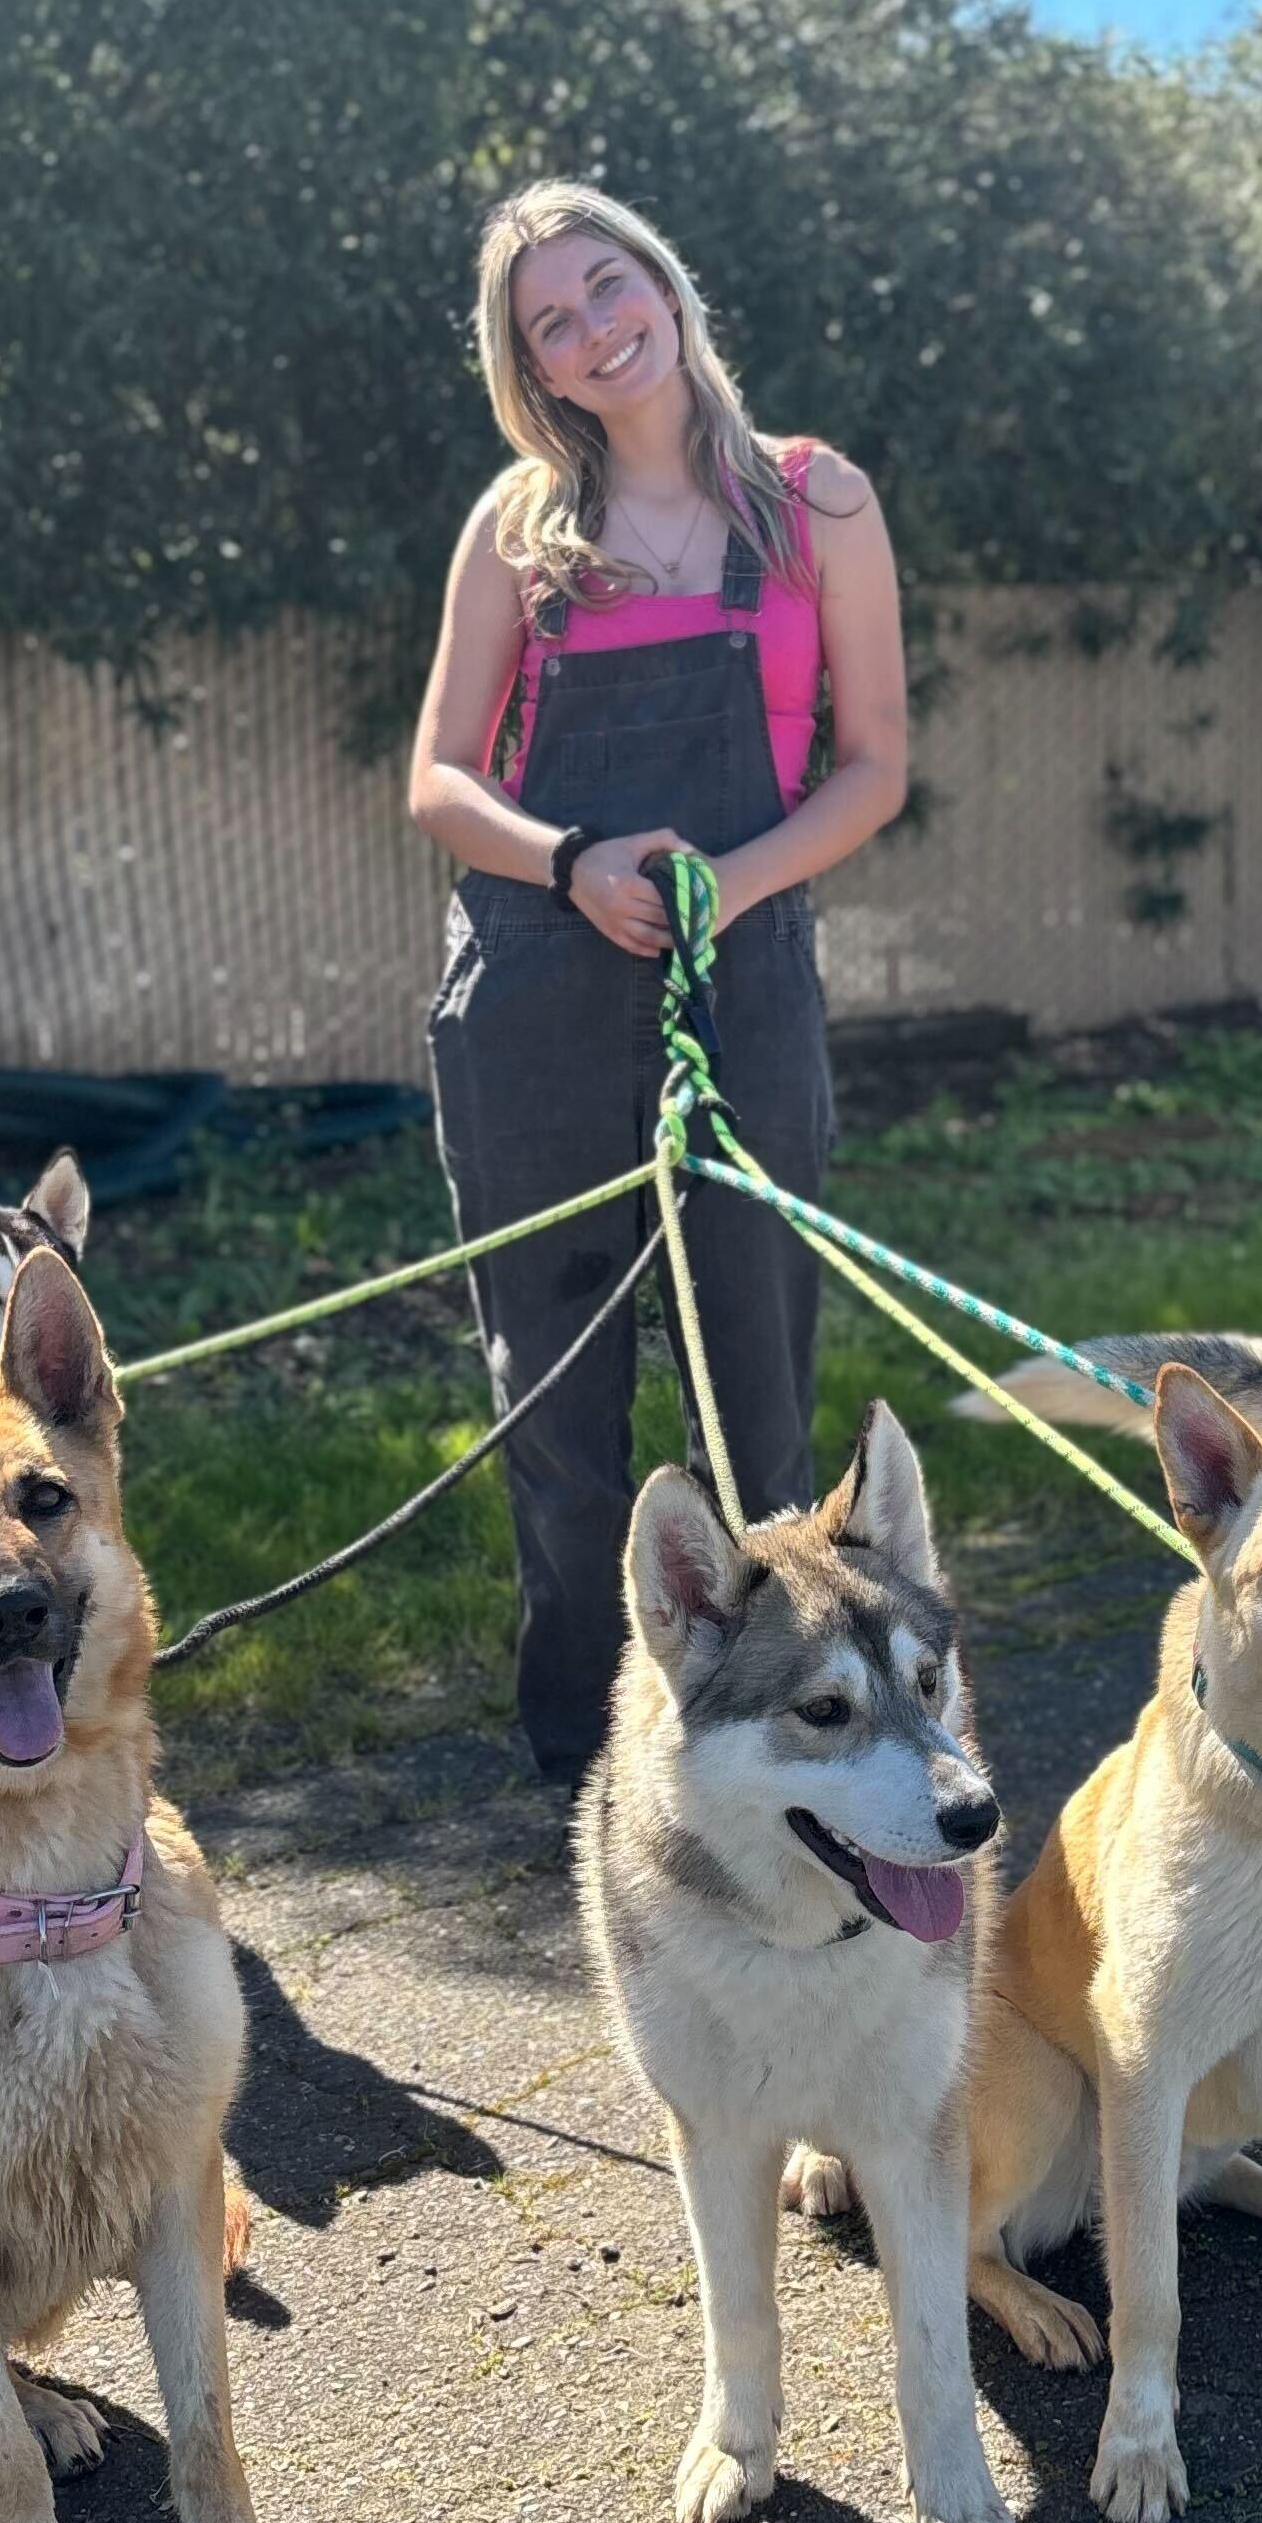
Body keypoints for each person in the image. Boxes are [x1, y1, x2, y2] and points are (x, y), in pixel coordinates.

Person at [407, 181, 910, 1790]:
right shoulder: (518, 529)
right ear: (534, 367)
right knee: (552, 1404)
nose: (592, 328)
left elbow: (875, 767)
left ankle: (785, 1740)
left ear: (666, 286)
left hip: (738, 980)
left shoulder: (815, 504)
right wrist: (573, 864)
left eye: (606, 285)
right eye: (550, 321)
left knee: (754, 1392)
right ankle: (584, 1749)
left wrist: (717, 891)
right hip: (536, 999)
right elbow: (435, 778)